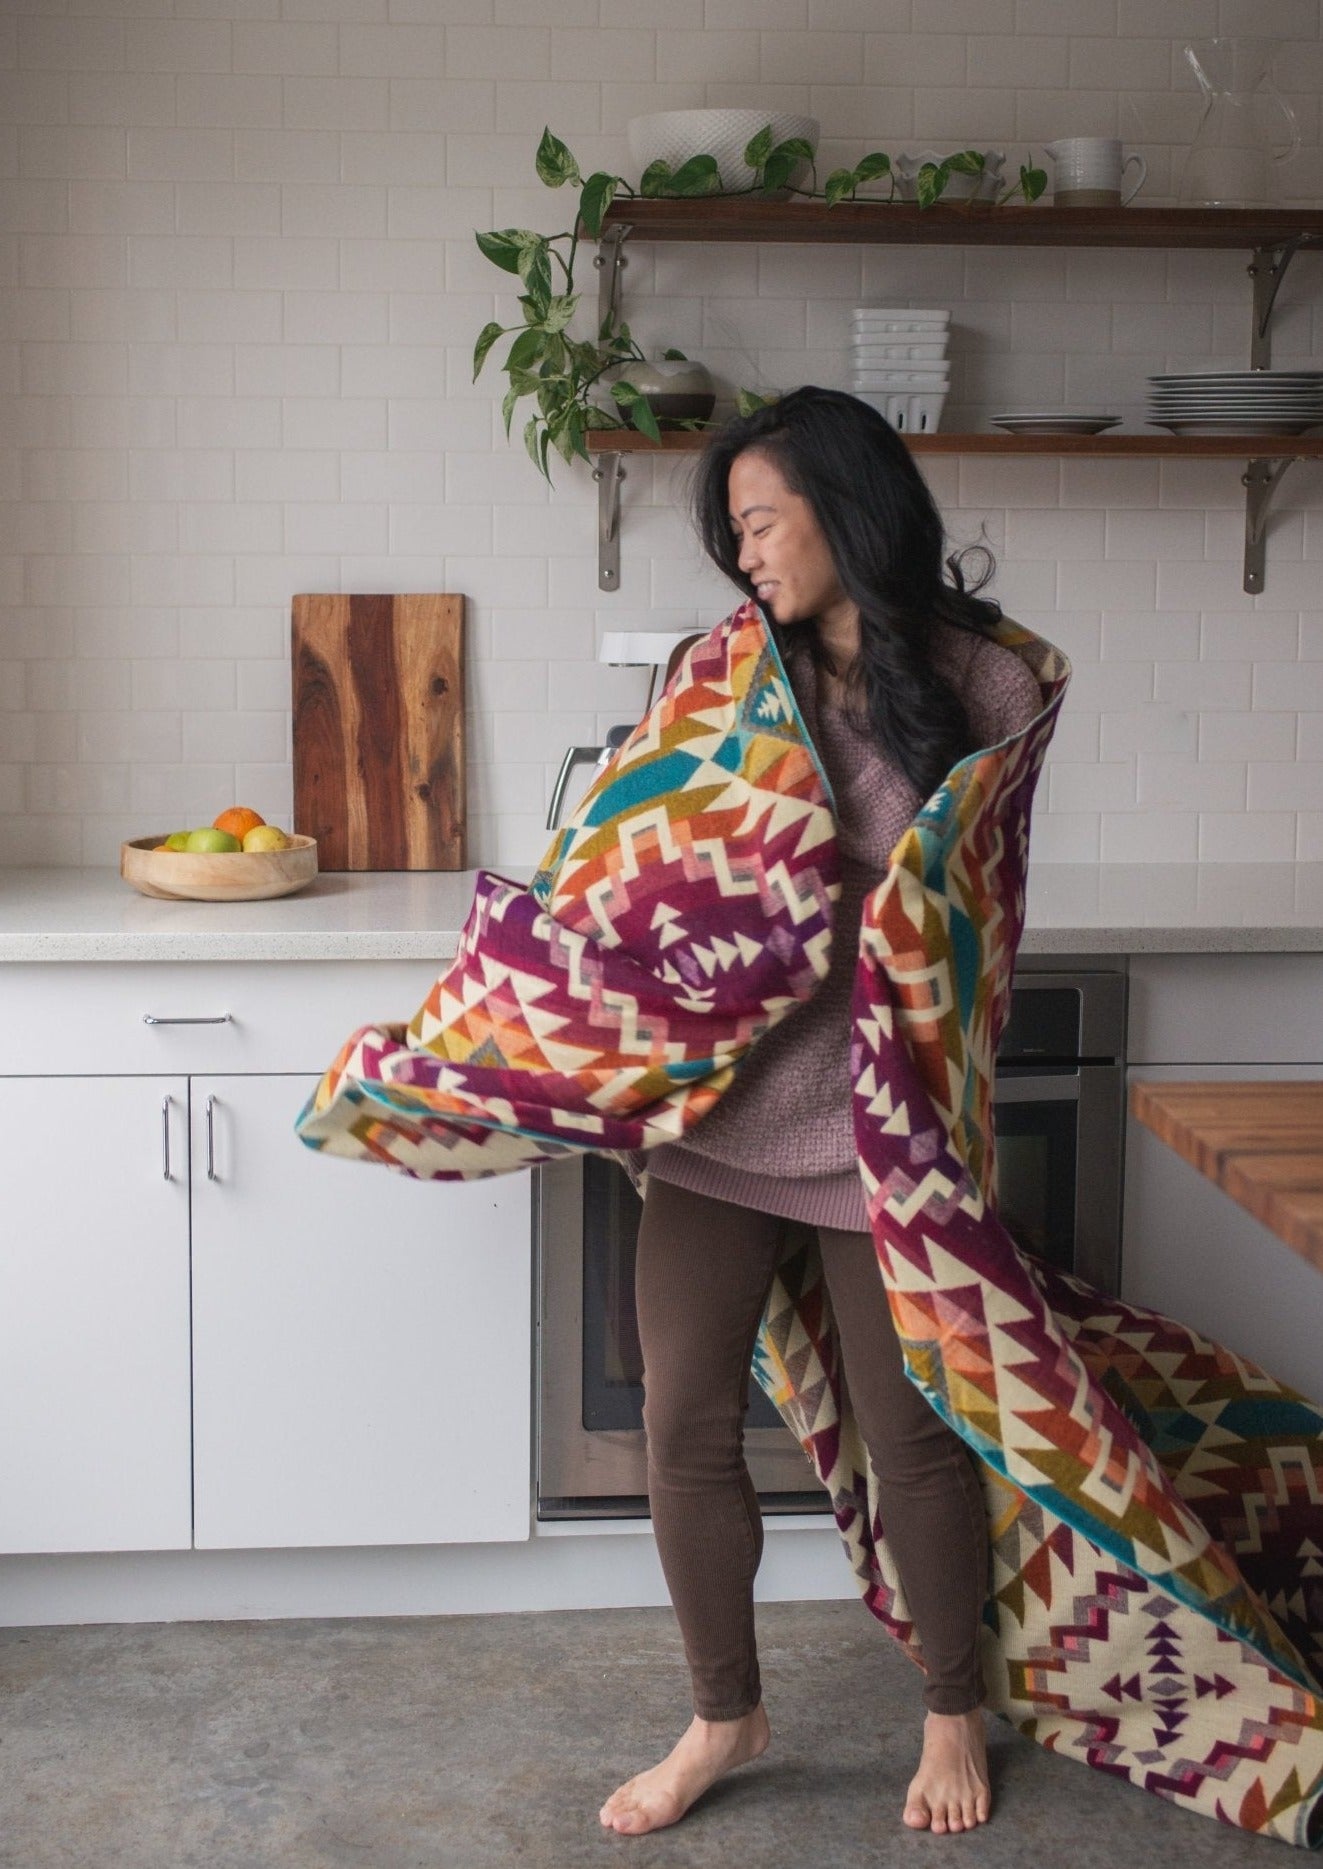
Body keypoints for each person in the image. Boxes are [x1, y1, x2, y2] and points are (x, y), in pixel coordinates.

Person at [597, 387, 1044, 1841]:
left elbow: (985, 912)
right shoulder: (720, 672)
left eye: (763, 521)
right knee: (680, 1418)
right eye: (732, 531)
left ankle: (951, 1704)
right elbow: (641, 859)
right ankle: (726, 1713)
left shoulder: (982, 689)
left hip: (878, 1128)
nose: (746, 555)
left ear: (846, 512)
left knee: (911, 1431)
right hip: (724, 1117)